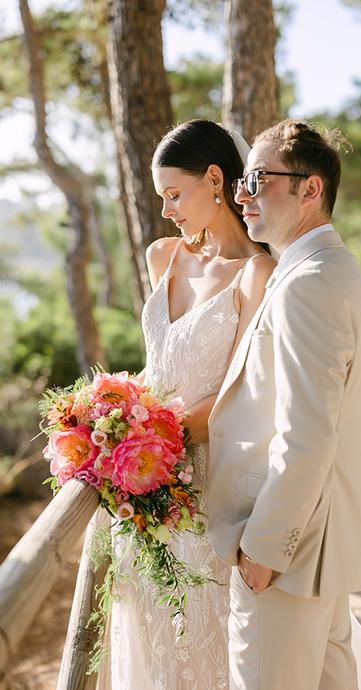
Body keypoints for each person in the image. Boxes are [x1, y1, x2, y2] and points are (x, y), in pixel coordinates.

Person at [97, 119, 276, 690]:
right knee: (144, 623)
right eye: (161, 197)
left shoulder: (258, 273)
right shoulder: (161, 255)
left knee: (203, 637)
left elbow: (232, 392)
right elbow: (157, 365)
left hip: (202, 483)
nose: (168, 210)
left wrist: (145, 436)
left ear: (216, 179)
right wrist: (112, 422)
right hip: (143, 476)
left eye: (175, 194)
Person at [207, 119, 361, 690]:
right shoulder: (328, 269)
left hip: (287, 553)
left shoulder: (310, 281)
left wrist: (263, 548)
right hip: (318, 549)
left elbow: (308, 432)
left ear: (311, 189)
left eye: (258, 178)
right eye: (241, 180)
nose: (242, 194)